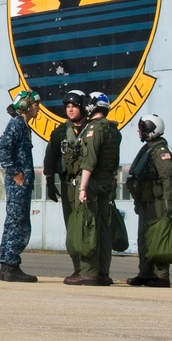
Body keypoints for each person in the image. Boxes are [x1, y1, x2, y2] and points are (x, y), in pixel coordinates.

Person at [66, 91, 121, 286]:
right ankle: (103, 273)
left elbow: (89, 161)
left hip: (93, 184)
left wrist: (82, 188)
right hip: (107, 183)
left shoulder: (94, 129)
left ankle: (88, 272)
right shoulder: (114, 130)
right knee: (104, 228)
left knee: (87, 225)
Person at [0, 89, 41, 282]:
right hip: (18, 183)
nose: (38, 108)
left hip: (22, 182)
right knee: (18, 223)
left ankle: (7, 265)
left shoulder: (23, 125)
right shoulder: (16, 125)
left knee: (14, 221)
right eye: (35, 104)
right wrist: (14, 172)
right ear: (26, 106)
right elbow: (2, 147)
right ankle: (11, 265)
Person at [42, 89, 88, 282]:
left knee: (90, 225)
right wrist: (49, 182)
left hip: (87, 185)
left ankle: (93, 269)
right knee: (72, 226)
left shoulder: (93, 129)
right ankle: (78, 267)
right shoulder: (60, 132)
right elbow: (50, 157)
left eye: (74, 106)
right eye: (68, 107)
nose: (70, 110)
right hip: (68, 184)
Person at [126, 114, 172, 288]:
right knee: (144, 239)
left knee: (159, 238)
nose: (138, 131)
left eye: (141, 128)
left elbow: (167, 177)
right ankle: (145, 273)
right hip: (146, 202)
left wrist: (169, 203)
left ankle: (161, 276)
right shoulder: (148, 149)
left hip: (159, 202)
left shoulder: (160, 151)